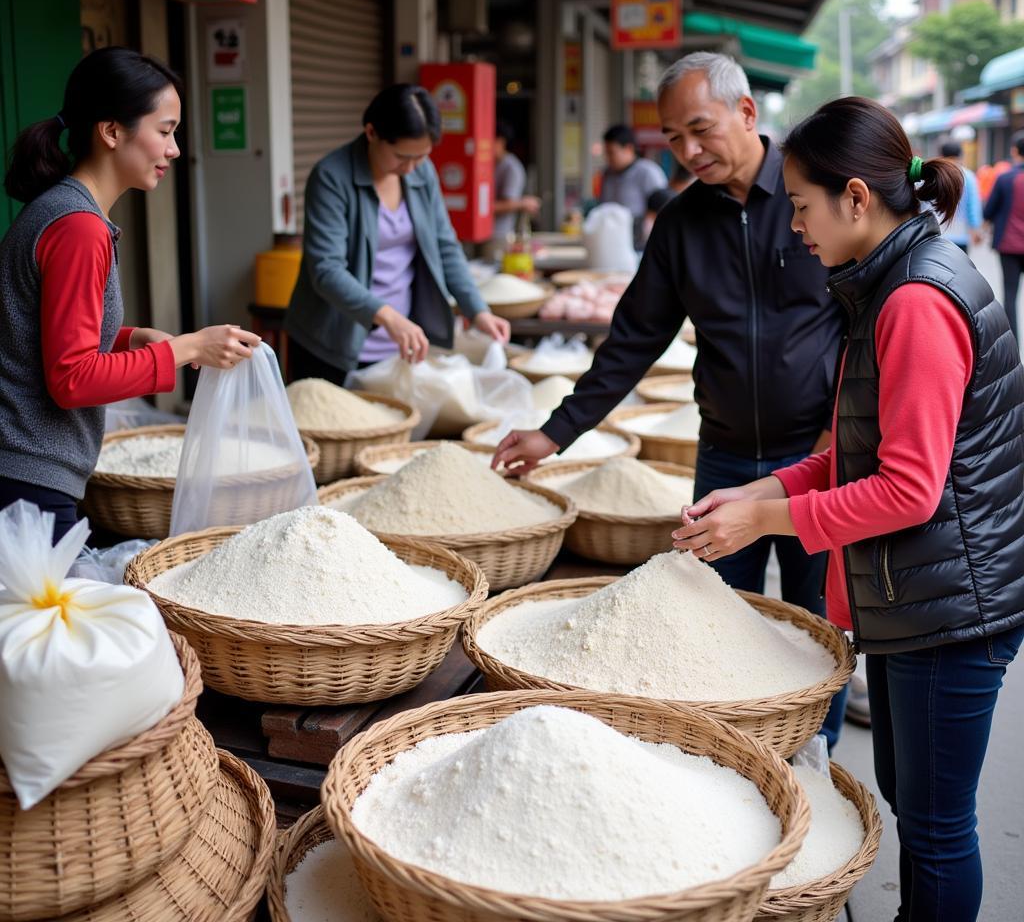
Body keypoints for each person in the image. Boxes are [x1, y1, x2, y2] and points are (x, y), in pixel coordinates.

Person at [673, 95, 1024, 922]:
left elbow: (908, 489)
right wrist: (756, 493)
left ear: (856, 199)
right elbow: (847, 457)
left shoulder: (915, 303)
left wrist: (762, 524)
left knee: (937, 830)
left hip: (954, 609)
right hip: (924, 596)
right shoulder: (885, 284)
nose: (795, 227)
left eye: (801, 207)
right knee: (912, 795)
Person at [493, 51, 848, 746]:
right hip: (722, 461)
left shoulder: (818, 198)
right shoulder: (681, 224)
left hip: (817, 457)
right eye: (672, 138)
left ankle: (816, 758)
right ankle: (732, 757)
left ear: (747, 113)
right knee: (707, 622)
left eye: (699, 130)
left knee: (818, 629)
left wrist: (838, 438)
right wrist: (554, 433)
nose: (687, 152)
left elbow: (864, 331)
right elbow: (632, 340)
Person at [0, 47, 259, 541]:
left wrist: (128, 338)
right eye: (165, 131)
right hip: (25, 485)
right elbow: (71, 378)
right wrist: (188, 348)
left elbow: (38, 334)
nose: (175, 149)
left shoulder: (63, 211)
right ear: (112, 131)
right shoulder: (78, 227)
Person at [285, 84, 510, 384]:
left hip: (400, 343)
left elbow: (445, 245)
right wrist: (388, 317)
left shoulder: (421, 171)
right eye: (402, 156)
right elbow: (326, 270)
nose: (411, 167)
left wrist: (477, 309)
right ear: (371, 133)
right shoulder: (331, 177)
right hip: (333, 344)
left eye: (421, 157)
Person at [597, 123, 668, 249]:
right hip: (611, 239)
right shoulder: (607, 174)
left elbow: (662, 205)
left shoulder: (647, 172)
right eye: (606, 153)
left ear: (628, 149)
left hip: (640, 241)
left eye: (612, 153)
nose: (608, 158)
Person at [983, 132, 1024, 342]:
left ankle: (1014, 343)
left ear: (1015, 151)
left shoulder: (1006, 178)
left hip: (1009, 245)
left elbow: (989, 210)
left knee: (1010, 294)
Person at [492, 119, 540, 248]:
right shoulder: (488, 164)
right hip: (484, 233)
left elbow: (507, 204)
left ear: (500, 141)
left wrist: (481, 209)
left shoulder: (511, 167)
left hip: (499, 234)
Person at [937, 140, 982, 251]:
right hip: (960, 235)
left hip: (937, 234)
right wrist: (976, 229)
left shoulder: (934, 174)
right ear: (960, 155)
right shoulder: (968, 176)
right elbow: (973, 205)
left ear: (941, 155)